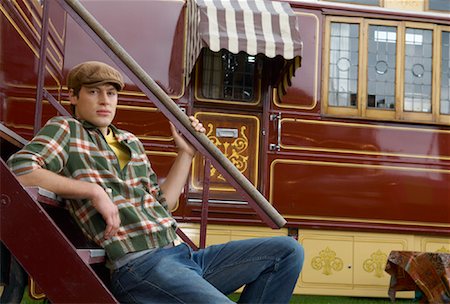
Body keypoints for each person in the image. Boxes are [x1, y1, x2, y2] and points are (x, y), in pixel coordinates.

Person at [7, 61, 304, 303]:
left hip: (183, 256)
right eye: (94, 92)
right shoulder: (67, 129)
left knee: (288, 252)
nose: (104, 101)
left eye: (111, 94)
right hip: (142, 266)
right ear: (73, 96)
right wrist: (92, 190)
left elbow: (163, 204)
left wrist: (185, 154)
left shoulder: (125, 142)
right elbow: (20, 169)